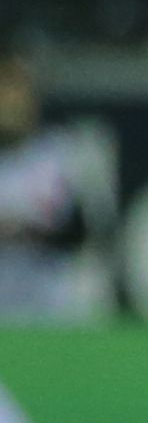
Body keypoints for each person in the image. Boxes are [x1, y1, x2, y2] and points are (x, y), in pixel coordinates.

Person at [0, 53, 99, 323]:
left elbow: (83, 230)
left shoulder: (59, 153)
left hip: (47, 307)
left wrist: (32, 232)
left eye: (16, 93)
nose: (9, 105)